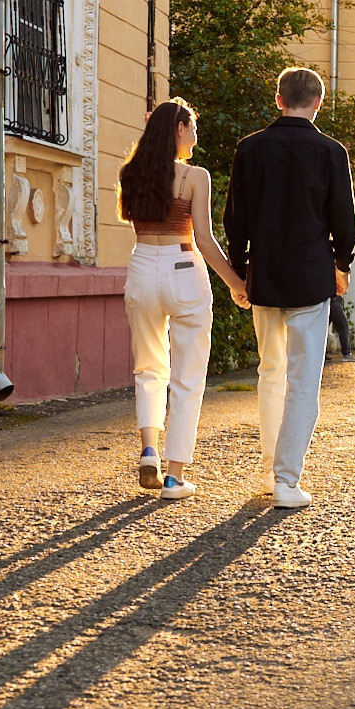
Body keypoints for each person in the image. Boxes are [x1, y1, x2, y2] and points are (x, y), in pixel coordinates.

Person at [223, 67, 355, 509]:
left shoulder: (250, 149)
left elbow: (235, 221)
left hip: (264, 277)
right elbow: (345, 224)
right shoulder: (330, 151)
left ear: (278, 99)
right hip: (310, 278)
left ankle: (268, 470)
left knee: (270, 372)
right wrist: (341, 265)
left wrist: (240, 273)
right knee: (303, 381)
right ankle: (285, 480)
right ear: (317, 102)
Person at [117, 99, 247, 500]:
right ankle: (173, 476)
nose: (196, 135)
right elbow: (205, 240)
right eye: (191, 127)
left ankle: (150, 449)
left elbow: (130, 219)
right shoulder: (195, 176)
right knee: (187, 376)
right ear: (177, 129)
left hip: (141, 267)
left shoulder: (131, 173)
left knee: (148, 368)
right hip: (183, 270)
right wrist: (236, 282)